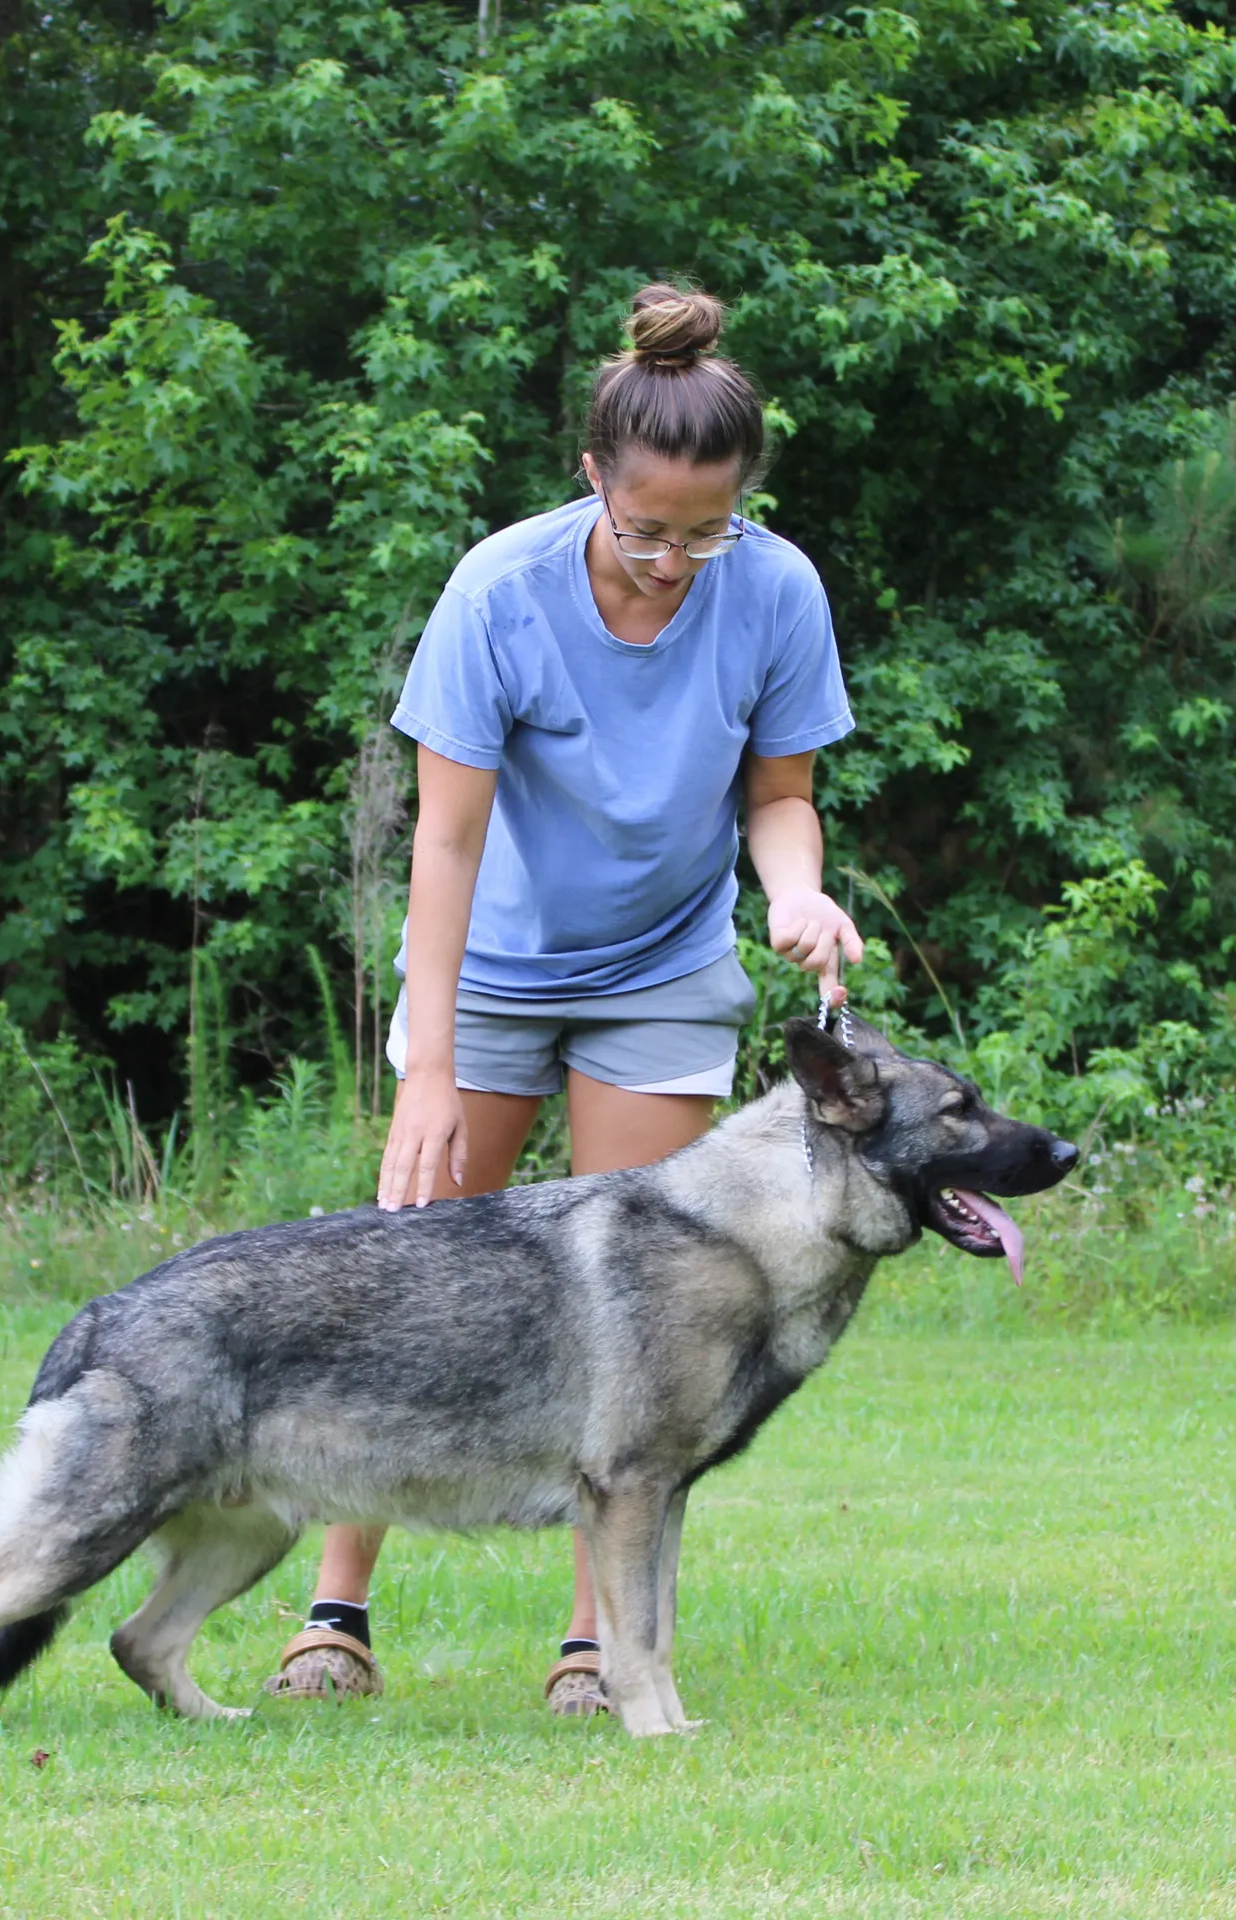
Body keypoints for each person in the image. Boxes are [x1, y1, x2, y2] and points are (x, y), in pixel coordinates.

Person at [264, 281, 863, 1716]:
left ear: (741, 506)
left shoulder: (773, 590)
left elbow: (781, 796)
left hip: (657, 969)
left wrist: (792, 889)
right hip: (490, 968)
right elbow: (448, 841)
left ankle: (597, 1645)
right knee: (399, 1279)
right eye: (645, 526)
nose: (670, 560)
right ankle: (335, 1612)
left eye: (702, 532)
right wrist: (429, 1067)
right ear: (592, 477)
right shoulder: (502, 588)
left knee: (641, 1314)